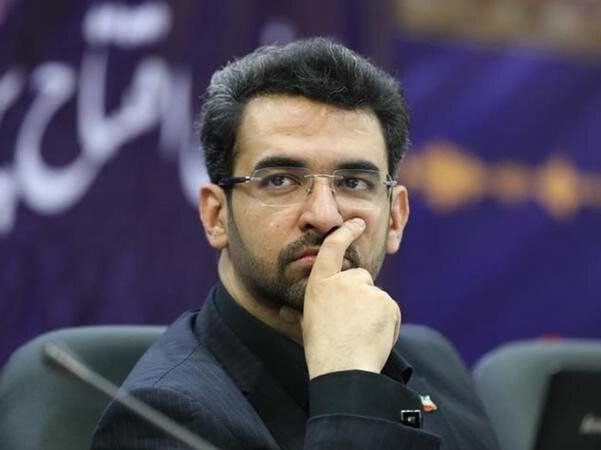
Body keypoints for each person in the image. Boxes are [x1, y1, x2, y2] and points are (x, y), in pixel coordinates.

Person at [91, 38, 499, 450]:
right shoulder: (163, 416)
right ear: (217, 217)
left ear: (395, 218)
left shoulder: (433, 359)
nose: (324, 215)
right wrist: (349, 384)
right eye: (280, 180)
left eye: (353, 182)